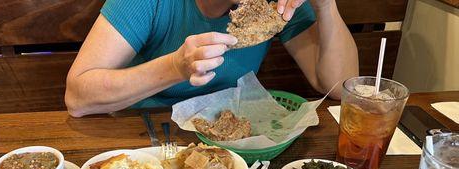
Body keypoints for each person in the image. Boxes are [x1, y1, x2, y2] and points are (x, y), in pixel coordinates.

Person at [65, 0, 358, 117]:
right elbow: (78, 97)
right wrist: (176, 66)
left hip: (233, 143)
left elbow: (337, 85)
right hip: (146, 139)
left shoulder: (275, 6)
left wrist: (326, 7)